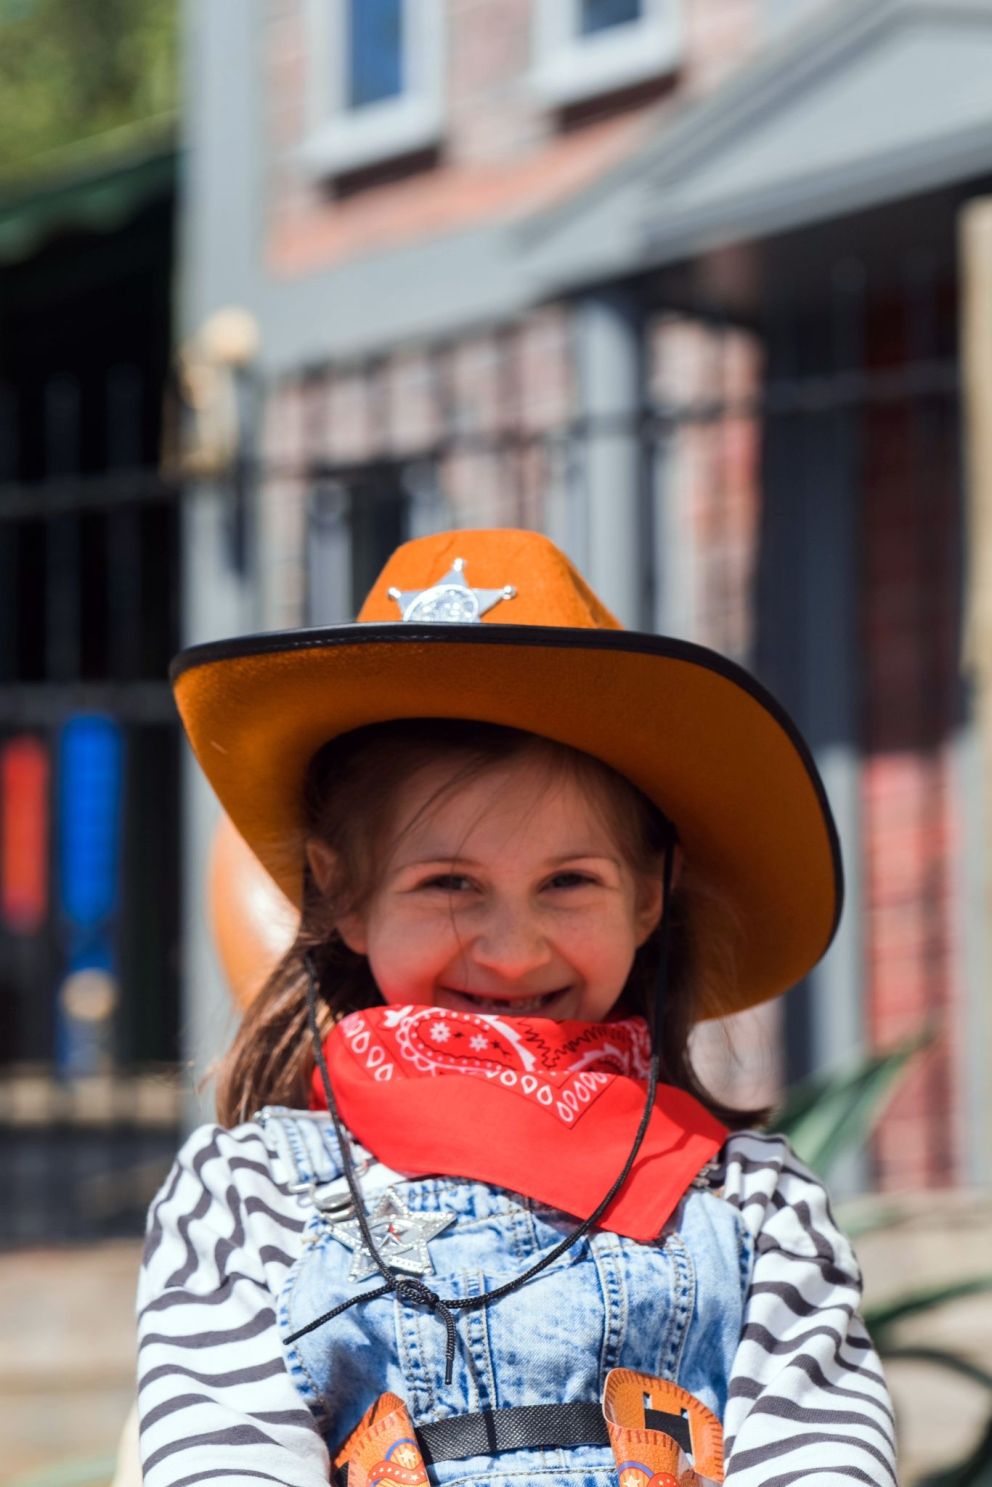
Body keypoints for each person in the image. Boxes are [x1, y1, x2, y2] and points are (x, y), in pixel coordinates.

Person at [138, 529, 897, 1487]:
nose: (512, 948)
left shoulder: (752, 1204)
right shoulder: (246, 1197)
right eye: (451, 882)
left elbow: (825, 1460)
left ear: (650, 895)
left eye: (568, 882)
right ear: (341, 895)